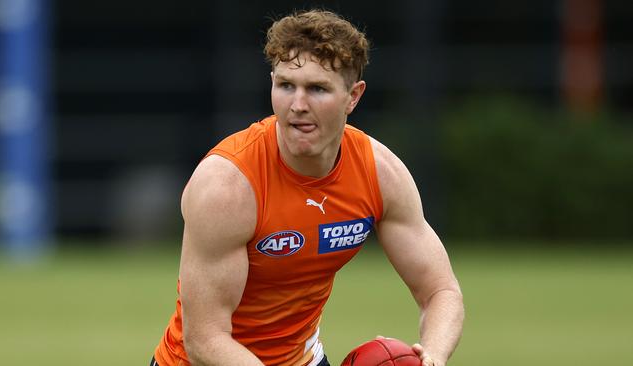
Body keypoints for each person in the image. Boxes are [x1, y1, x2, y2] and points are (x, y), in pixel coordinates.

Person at [151, 9, 463, 366]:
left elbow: (440, 291)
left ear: (353, 96)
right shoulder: (227, 186)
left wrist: (434, 357)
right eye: (286, 85)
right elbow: (205, 339)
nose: (298, 105)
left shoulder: (379, 173)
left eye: (317, 89)